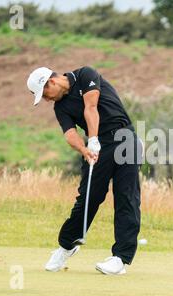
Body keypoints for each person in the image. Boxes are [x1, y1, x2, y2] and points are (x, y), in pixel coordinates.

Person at [26, 66, 142, 275]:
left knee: (127, 197)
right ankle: (67, 246)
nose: (46, 100)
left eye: (44, 94)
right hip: (98, 147)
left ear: (51, 82)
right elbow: (70, 133)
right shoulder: (60, 107)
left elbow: (91, 106)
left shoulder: (85, 75)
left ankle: (120, 259)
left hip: (125, 139)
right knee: (88, 197)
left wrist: (94, 138)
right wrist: (84, 148)